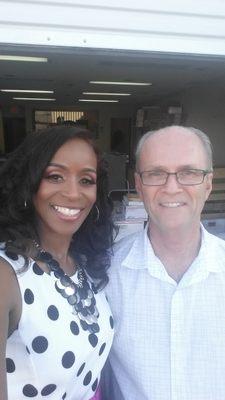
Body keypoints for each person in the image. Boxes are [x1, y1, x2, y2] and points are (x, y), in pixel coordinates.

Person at [103, 125, 225, 400]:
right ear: (138, 184)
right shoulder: (105, 274)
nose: (171, 188)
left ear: (208, 184)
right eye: (155, 174)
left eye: (189, 173)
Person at [0, 125, 114, 400]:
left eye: (86, 180)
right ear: (29, 184)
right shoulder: (7, 276)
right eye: (55, 176)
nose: (74, 194)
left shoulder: (84, 263)